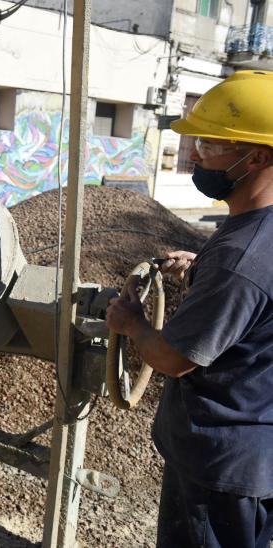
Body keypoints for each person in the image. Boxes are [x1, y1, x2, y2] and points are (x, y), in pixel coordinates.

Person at [106, 70, 273, 548]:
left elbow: (175, 360)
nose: (197, 153)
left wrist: (132, 325)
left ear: (257, 156)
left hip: (222, 462)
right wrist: (204, 269)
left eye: (211, 144)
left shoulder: (242, 259)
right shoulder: (252, 229)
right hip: (259, 442)